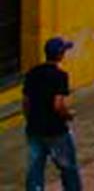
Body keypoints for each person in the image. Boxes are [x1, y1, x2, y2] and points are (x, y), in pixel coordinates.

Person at [23, 35, 81, 191]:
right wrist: (68, 115)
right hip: (55, 130)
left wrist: (31, 119)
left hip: (34, 128)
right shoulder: (60, 76)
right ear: (61, 55)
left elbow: (26, 102)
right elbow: (58, 104)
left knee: (35, 167)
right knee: (68, 167)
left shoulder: (32, 73)